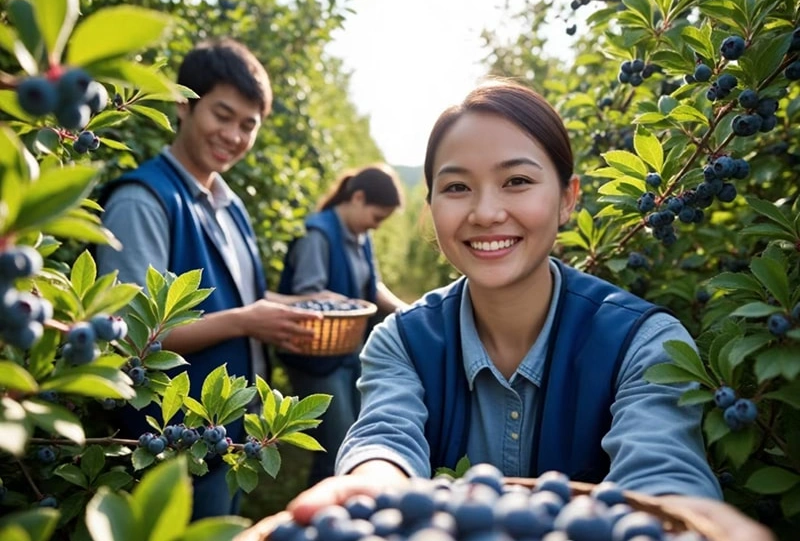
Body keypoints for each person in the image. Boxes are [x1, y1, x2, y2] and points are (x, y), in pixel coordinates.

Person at [279, 79, 775, 541]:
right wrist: (370, 485)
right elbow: (385, 437)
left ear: (567, 199)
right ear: (429, 210)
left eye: (516, 180)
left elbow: (661, 473)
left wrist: (680, 510)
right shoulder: (402, 342)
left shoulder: (642, 343)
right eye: (456, 187)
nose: (486, 212)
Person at [95, 38, 324, 519]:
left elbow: (241, 296)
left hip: (230, 441)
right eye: (222, 115)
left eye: (249, 125)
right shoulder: (144, 201)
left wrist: (303, 302)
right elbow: (134, 340)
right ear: (183, 105)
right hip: (173, 448)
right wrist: (246, 322)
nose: (235, 136)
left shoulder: (229, 204)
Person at [276, 164, 407, 486]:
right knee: (336, 447)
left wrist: (407, 310)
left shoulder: (360, 237)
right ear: (358, 198)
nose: (376, 227)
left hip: (347, 349)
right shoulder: (316, 235)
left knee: (356, 435)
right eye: (377, 217)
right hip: (314, 352)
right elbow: (310, 298)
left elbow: (371, 286)